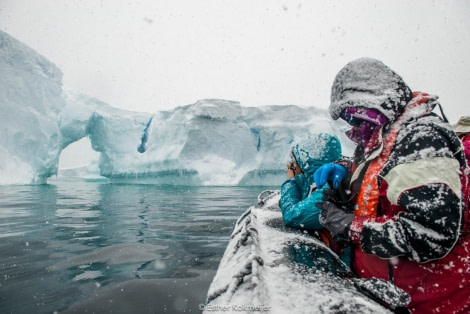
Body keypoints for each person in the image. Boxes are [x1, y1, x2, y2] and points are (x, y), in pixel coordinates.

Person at [315, 58, 470, 313]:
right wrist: (343, 173)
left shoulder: (421, 137)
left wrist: (350, 226)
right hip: (390, 294)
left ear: (374, 101)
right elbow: (380, 180)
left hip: (428, 303)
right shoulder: (384, 135)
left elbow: (430, 234)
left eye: (354, 114)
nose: (354, 124)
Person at [279, 133, 350, 268]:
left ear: (308, 163)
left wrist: (290, 181)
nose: (292, 165)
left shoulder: (329, 186)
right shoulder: (322, 181)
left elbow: (293, 216)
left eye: (295, 161)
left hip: (341, 270)